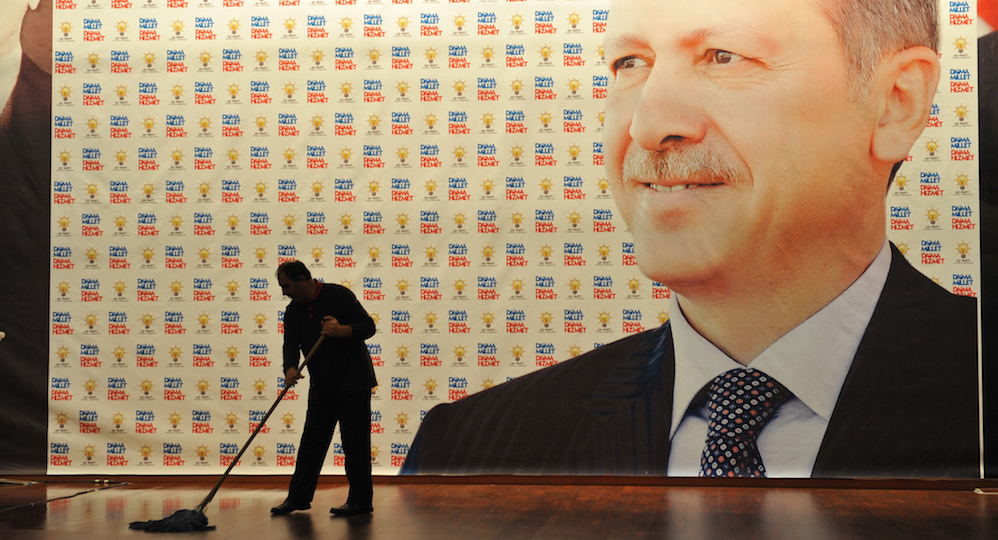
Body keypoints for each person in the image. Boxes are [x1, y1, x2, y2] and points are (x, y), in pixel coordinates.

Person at [401, 0, 980, 478]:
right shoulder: (468, 451)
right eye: (630, 63)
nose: (647, 126)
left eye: (723, 56)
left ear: (896, 102)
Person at [271, 261, 378, 515]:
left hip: (353, 383)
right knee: (311, 443)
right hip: (322, 384)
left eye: (287, 286)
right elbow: (290, 344)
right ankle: (298, 498)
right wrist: (289, 368)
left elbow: (368, 327)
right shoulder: (293, 311)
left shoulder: (338, 295)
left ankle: (361, 501)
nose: (285, 293)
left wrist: (343, 330)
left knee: (355, 445)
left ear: (302, 279)